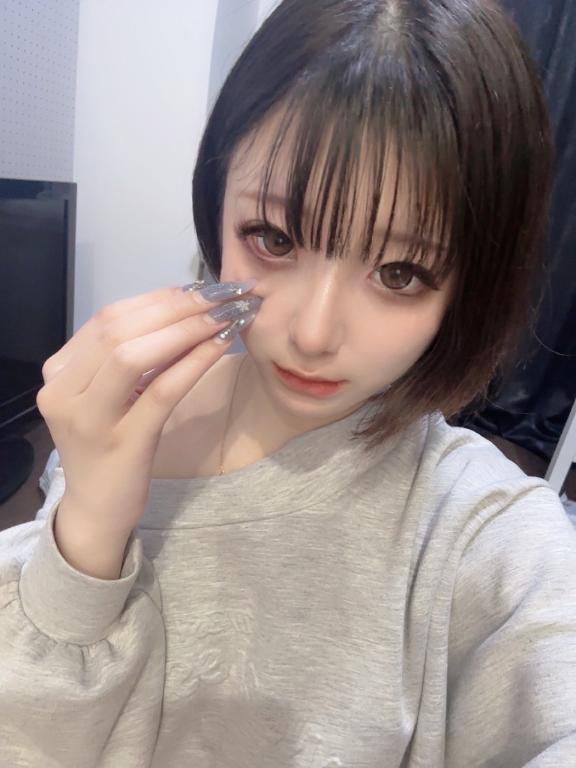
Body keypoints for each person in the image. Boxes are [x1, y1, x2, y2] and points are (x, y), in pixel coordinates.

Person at [1, 0, 575, 765]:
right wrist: (88, 523)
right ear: (216, 201)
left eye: (400, 273)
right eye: (272, 237)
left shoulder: (480, 530)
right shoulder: (120, 422)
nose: (313, 332)